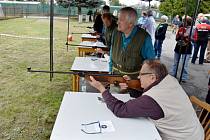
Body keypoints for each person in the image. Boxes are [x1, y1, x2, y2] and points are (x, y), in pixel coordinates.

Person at [88, 60, 204, 140]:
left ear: (152, 77)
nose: (138, 77)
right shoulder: (170, 80)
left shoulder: (152, 99)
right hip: (194, 133)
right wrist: (130, 85)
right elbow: (148, 97)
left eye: (141, 74)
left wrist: (102, 89)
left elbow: (120, 110)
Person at [109, 7, 155, 80]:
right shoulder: (115, 32)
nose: (117, 22)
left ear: (130, 24)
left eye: (121, 20)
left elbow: (151, 63)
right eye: (118, 19)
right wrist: (110, 73)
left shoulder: (144, 38)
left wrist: (138, 79)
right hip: (115, 79)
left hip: (134, 83)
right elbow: (112, 54)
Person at [170, 16, 192, 82]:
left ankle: (184, 77)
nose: (183, 22)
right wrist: (180, 35)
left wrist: (187, 36)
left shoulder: (192, 29)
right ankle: (173, 74)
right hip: (178, 47)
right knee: (175, 62)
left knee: (184, 64)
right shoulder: (181, 28)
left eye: (184, 21)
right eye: (183, 21)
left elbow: (194, 39)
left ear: (188, 22)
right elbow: (176, 38)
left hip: (187, 48)